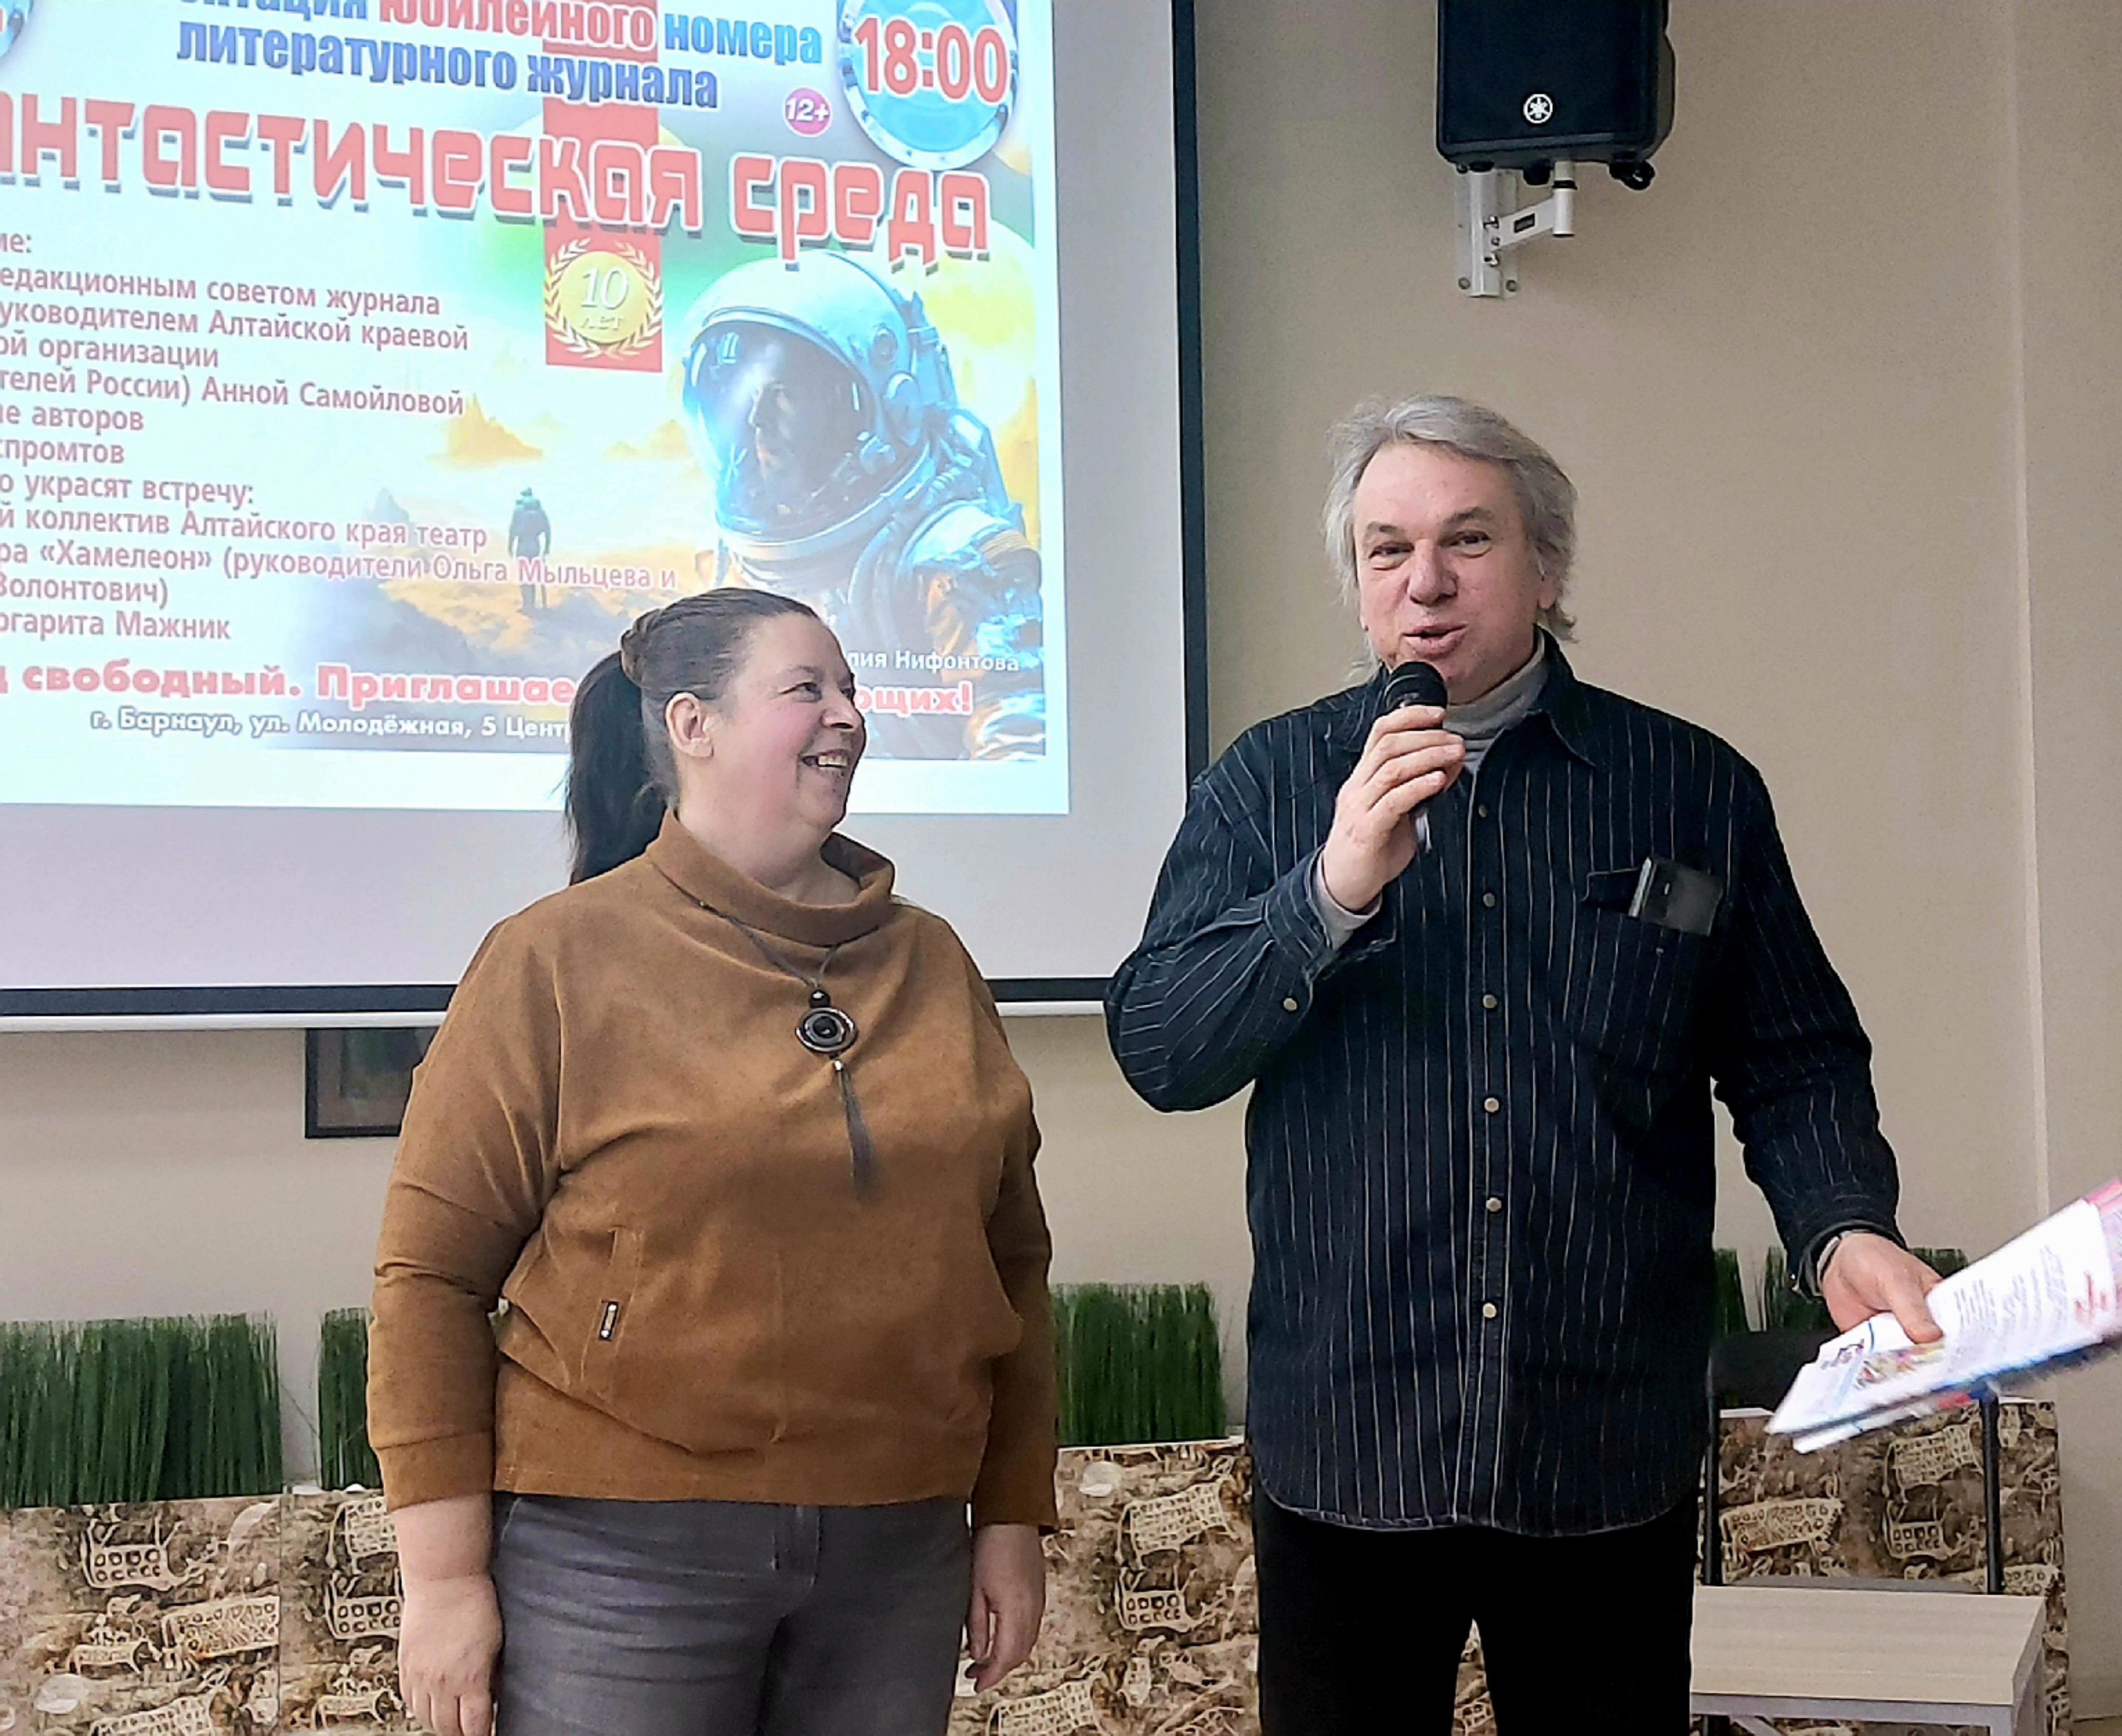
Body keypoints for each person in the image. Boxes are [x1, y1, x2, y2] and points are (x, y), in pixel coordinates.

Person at [1104, 395, 1946, 1734]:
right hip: (1353, 1443)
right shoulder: (1269, 781)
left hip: (1600, 1439)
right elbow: (1157, 1044)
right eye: (1386, 549)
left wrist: (1841, 1222)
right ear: (1356, 584)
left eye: (1466, 539)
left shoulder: (1687, 786)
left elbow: (1791, 1055)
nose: (1423, 581)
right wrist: (1325, 891)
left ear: (1545, 568)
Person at [368, 588, 1056, 1736]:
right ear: (693, 725)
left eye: (850, 689)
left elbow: (1013, 1262)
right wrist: (442, 1581)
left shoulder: (934, 960)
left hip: (900, 1545)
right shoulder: (554, 959)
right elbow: (430, 1277)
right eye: (806, 690)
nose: (847, 715)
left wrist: (1011, 1515)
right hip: (618, 1556)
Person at [675, 251, 1044, 761]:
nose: (757, 420)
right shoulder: (731, 557)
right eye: (742, 395)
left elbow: (1017, 745)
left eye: (783, 394)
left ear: (866, 403)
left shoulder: (951, 558)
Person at [508, 487, 552, 614]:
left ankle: (527, 605)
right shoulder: (539, 511)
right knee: (533, 575)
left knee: (524, 575)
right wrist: (547, 548)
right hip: (535, 544)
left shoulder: (518, 510)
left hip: (522, 544)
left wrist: (510, 547)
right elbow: (548, 529)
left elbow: (513, 530)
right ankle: (535, 604)